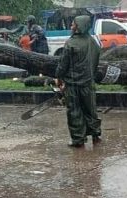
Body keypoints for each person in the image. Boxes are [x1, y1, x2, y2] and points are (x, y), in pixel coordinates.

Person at [55, 15, 101, 148]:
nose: (71, 26)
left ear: (78, 26)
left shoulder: (71, 43)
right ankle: (96, 135)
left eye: (73, 24)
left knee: (74, 112)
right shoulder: (93, 42)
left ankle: (78, 139)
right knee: (90, 110)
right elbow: (96, 61)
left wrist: (58, 77)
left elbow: (63, 64)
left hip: (73, 84)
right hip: (88, 83)